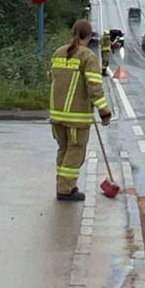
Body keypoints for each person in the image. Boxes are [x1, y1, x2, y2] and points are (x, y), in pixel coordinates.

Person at [49, 18, 112, 202]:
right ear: (89, 36)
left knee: (63, 150)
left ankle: (63, 185)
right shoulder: (87, 57)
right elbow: (94, 87)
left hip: (56, 113)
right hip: (77, 116)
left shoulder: (58, 53)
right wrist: (104, 112)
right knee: (75, 152)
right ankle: (66, 189)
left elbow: (50, 78)